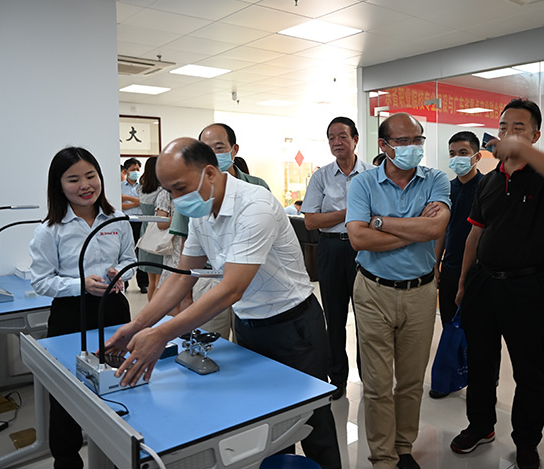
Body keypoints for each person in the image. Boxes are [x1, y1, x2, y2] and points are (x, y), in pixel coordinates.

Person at [106, 138, 341, 469]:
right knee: (267, 423)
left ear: (209, 173)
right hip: (249, 326)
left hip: (293, 326)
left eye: (180, 188)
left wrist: (161, 334)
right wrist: (138, 325)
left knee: (312, 420)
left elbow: (231, 289)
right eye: (169, 191)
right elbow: (181, 277)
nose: (177, 199)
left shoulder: (254, 206)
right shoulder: (201, 210)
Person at [450, 99, 544, 469]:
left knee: (529, 371)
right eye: (504, 127)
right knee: (481, 363)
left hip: (526, 286)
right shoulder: (488, 181)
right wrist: (463, 282)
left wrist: (523, 150)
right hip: (483, 284)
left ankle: (527, 441)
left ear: (536, 135)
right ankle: (480, 425)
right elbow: (475, 235)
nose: (508, 133)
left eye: (519, 128)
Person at [346, 112, 451, 469]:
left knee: (410, 381)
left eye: (417, 140)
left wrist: (380, 222)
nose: (412, 147)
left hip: (421, 292)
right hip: (373, 291)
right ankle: (383, 457)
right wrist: (414, 228)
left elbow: (435, 229)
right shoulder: (363, 184)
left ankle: (403, 448)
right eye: (403, 141)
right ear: (384, 145)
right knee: (377, 383)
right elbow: (358, 239)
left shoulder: (436, 179)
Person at [29, 147, 135, 469]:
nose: (85, 185)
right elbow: (41, 282)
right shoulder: (50, 230)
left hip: (114, 310)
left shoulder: (118, 220)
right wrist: (81, 285)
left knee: (120, 379)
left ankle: (121, 448)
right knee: (66, 392)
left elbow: (130, 260)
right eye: (73, 179)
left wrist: (121, 273)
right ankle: (66, 459)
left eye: (91, 176)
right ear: (59, 186)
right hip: (70, 316)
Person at [168, 122, 271, 338]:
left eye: (219, 148)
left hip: (251, 279)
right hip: (209, 279)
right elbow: (184, 247)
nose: (212, 155)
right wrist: (185, 297)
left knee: (249, 346)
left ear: (234, 149)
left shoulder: (257, 189)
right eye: (206, 149)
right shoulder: (192, 193)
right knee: (211, 344)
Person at [302, 116, 372, 401]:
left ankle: (369, 376)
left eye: (342, 136)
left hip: (364, 248)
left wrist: (338, 215)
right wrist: (351, 212)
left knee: (367, 316)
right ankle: (337, 378)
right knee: (334, 316)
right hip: (331, 248)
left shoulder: (372, 174)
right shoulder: (320, 177)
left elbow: (379, 213)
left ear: (355, 139)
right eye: (331, 137)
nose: (336, 142)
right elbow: (311, 221)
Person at [428, 131, 483, 400]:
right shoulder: (446, 189)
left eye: (463, 153)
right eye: (452, 153)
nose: (457, 158)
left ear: (476, 156)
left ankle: (482, 379)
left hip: (477, 272)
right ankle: (451, 377)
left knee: (478, 329)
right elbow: (441, 230)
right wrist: (435, 264)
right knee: (450, 324)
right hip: (450, 268)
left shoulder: (486, 186)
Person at [137, 156, 165, 298]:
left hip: (145, 233)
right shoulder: (162, 192)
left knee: (151, 280)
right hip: (158, 234)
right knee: (160, 280)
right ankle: (157, 309)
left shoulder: (141, 189)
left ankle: (151, 307)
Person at [121, 157, 148, 293]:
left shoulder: (143, 187)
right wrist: (136, 202)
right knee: (125, 251)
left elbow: (144, 203)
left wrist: (127, 199)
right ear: (126, 171)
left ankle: (143, 283)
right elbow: (119, 205)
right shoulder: (119, 186)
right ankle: (124, 283)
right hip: (125, 222)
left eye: (138, 169)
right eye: (133, 169)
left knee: (141, 252)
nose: (136, 172)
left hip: (141, 223)